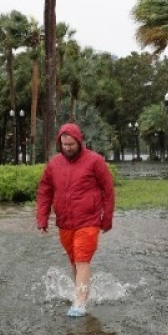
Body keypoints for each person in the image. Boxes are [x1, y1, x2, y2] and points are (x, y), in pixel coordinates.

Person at [37, 123, 115, 317]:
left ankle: (80, 302)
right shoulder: (54, 164)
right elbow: (44, 191)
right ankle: (82, 291)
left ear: (79, 141)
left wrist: (107, 218)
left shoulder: (95, 161)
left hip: (89, 221)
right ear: (59, 143)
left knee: (82, 259)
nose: (68, 148)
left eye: (71, 144)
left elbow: (108, 191)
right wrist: (42, 217)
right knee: (74, 261)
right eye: (64, 144)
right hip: (65, 222)